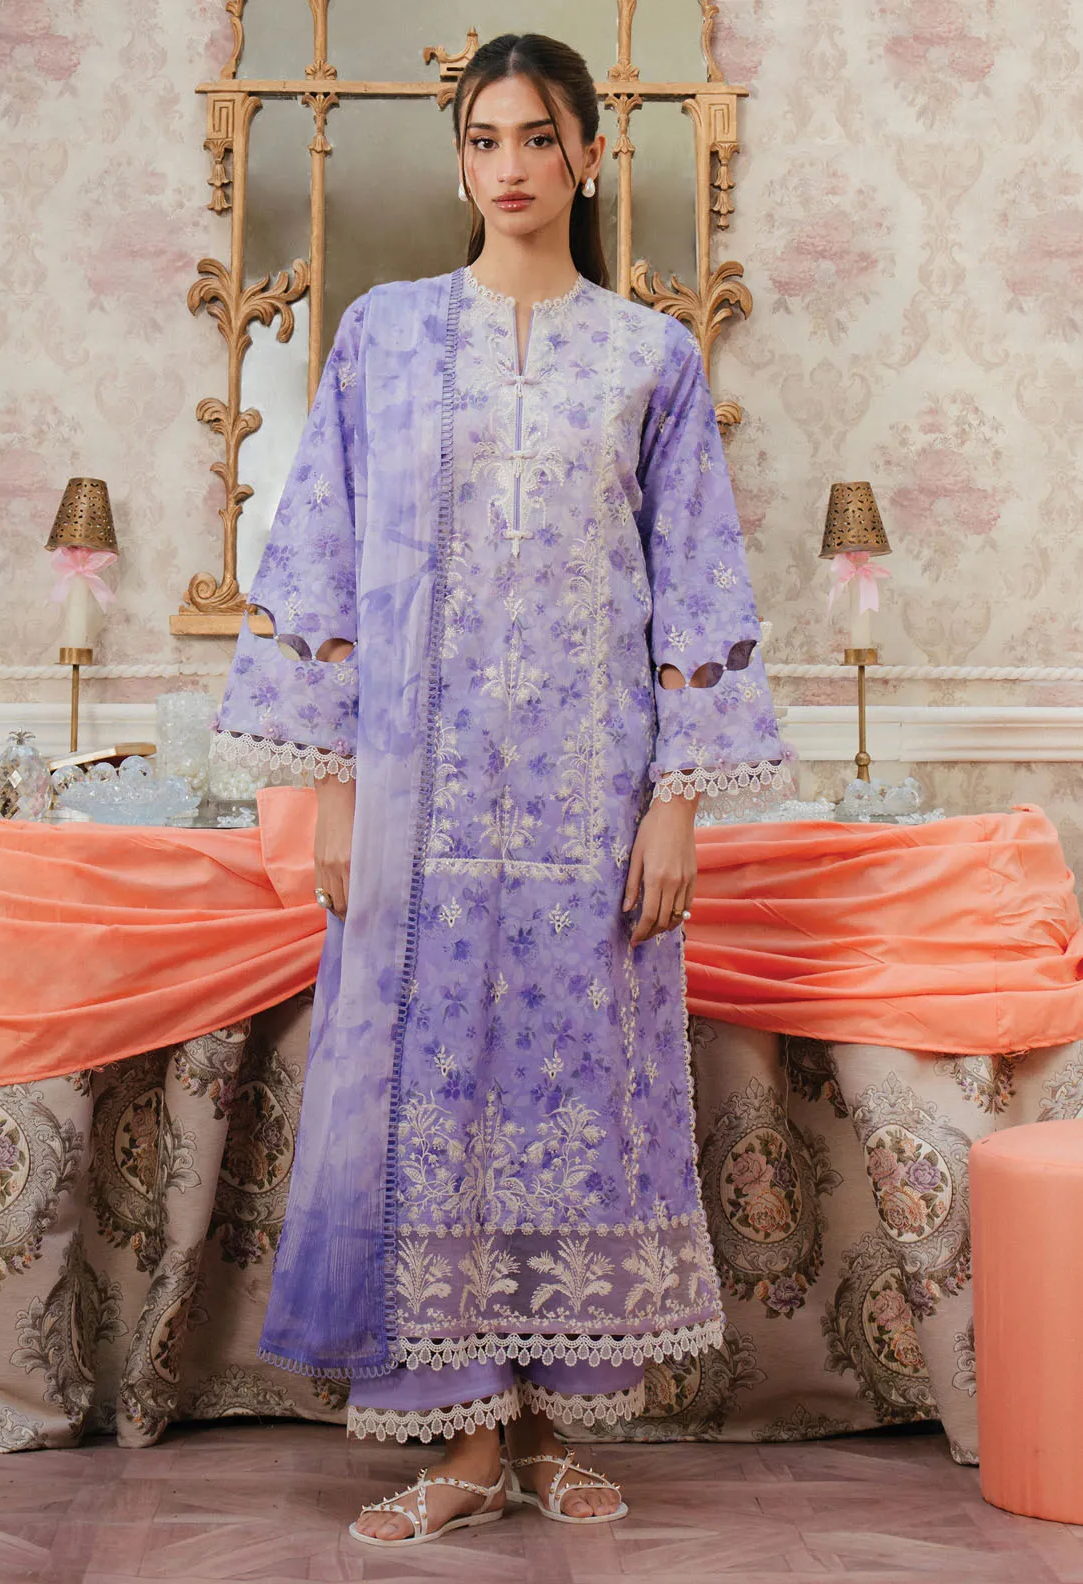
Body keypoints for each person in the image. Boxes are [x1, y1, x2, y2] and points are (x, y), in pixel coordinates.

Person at [211, 30, 784, 1550]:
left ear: (589, 154)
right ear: (459, 159)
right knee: (432, 1103)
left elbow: (693, 580)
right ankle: (464, 1439)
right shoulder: (386, 338)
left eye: (539, 138)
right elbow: (323, 550)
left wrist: (678, 800)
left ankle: (547, 1428)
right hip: (422, 802)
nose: (511, 167)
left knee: (573, 1101)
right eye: (484, 140)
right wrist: (335, 787)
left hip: (592, 804)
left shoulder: (649, 358)